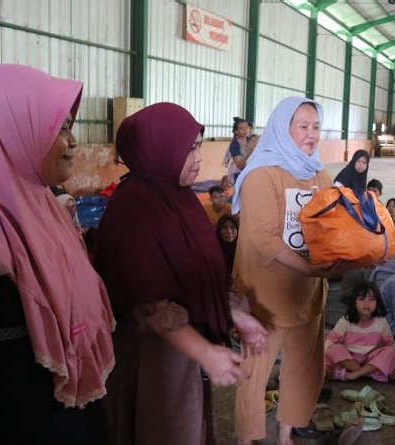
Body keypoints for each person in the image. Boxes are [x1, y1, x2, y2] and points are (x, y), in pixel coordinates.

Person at [0, 64, 115, 444]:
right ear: (8, 130)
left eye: (69, 126)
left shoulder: (44, 204)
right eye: (60, 127)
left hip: (69, 411)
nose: (72, 142)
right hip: (15, 419)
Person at [94, 102, 267, 445]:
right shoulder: (134, 207)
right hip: (153, 357)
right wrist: (204, 352)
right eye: (189, 148)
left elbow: (197, 277)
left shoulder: (181, 200)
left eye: (199, 145)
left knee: (187, 427)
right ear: (159, 149)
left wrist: (233, 315)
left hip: (185, 350)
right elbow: (147, 303)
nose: (199, 156)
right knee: (162, 430)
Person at [230, 97, 350, 445]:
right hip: (264, 294)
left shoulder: (318, 173)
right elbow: (266, 240)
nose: (312, 134)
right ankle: (246, 438)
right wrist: (314, 270)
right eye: (303, 126)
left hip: (306, 295)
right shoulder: (260, 175)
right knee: (255, 373)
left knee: (303, 369)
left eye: (316, 126)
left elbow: (330, 225)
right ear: (284, 128)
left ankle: (285, 435)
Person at [324, 281, 395, 382]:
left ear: (377, 303)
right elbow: (329, 343)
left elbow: (390, 345)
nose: (366, 303)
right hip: (349, 360)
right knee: (332, 349)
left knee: (392, 352)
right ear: (354, 303)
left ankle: (353, 375)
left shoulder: (381, 322)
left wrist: (394, 359)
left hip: (370, 361)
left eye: (372, 299)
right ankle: (365, 373)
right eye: (361, 299)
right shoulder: (346, 321)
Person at [223, 117, 250, 183]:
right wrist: (250, 153)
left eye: (246, 127)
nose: (245, 130)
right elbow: (239, 165)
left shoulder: (251, 140)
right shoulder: (235, 144)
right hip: (239, 172)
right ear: (236, 132)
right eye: (241, 128)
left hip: (249, 170)